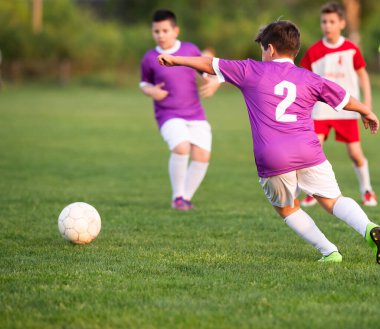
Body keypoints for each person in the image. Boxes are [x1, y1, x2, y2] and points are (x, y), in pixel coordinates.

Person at [157, 20, 380, 264]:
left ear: (270, 49)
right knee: (333, 200)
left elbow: (209, 64)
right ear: (295, 50)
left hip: (273, 155)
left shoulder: (250, 70)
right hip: (309, 151)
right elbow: (343, 97)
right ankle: (369, 228)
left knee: (286, 208)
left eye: (263, 49)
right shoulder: (309, 78)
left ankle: (330, 251)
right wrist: (366, 111)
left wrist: (176, 59)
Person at [139, 9, 219, 211]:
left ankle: (184, 199)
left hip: (195, 113)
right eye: (156, 31)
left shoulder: (190, 49)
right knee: (181, 147)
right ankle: (177, 197)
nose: (161, 35)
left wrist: (212, 82)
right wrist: (151, 91)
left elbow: (206, 70)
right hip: (167, 114)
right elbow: (143, 84)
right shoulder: (149, 58)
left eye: (165, 30)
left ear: (176, 31)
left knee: (202, 155)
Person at [300, 2, 377, 207]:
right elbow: (303, 79)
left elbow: (363, 76)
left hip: (347, 110)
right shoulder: (315, 51)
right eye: (324, 21)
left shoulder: (351, 49)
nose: (327, 25)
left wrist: (366, 106)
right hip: (321, 111)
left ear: (342, 23)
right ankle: (312, 191)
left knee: (355, 153)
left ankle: (367, 190)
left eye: (332, 21)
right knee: (312, 151)